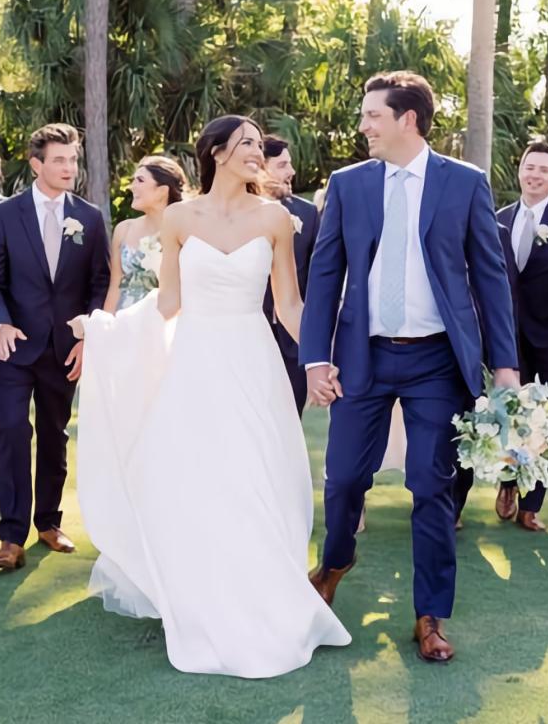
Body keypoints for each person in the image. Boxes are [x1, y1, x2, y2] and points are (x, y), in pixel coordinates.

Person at [74, 114, 350, 678]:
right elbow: (168, 304)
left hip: (252, 360)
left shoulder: (276, 219)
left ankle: (263, 597)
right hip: (195, 362)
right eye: (247, 144)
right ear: (217, 152)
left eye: (259, 145)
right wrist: (107, 330)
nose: (259, 152)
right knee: (198, 477)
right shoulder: (177, 217)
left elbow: (289, 305)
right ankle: (202, 598)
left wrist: (321, 358)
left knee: (257, 476)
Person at [302, 71, 518, 663]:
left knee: (432, 486)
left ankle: (430, 615)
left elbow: (491, 279)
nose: (363, 125)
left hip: (436, 363)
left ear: (408, 120)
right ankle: (337, 559)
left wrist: (505, 367)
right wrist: (316, 358)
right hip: (361, 356)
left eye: (373, 115)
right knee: (344, 479)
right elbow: (325, 275)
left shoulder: (464, 183)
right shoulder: (347, 185)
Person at [0, 123, 111, 570]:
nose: (69, 167)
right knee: (13, 431)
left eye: (72, 160)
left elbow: (99, 283)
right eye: (59, 160)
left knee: (55, 435)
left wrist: (87, 336)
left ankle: (49, 523)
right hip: (12, 348)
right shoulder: (3, 215)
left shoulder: (89, 217)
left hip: (64, 349)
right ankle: (11, 537)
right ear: (36, 165)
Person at [465, 140, 548, 531]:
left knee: (545, 418)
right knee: (503, 413)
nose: (535, 174)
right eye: (529, 167)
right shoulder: (498, 217)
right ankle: (507, 484)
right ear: (520, 170)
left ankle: (531, 503)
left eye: (543, 169)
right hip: (505, 338)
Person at [261, 135, 319, 413]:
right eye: (283, 165)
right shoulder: (237, 214)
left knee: (290, 418)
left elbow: (316, 277)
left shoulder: (307, 214)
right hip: (251, 332)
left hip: (294, 340)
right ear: (261, 167)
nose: (291, 172)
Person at [104, 155, 187, 312]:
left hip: (163, 322)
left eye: (140, 181)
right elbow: (114, 287)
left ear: (162, 191)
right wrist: (104, 326)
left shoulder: (184, 234)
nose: (132, 187)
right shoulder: (123, 229)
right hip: (124, 322)